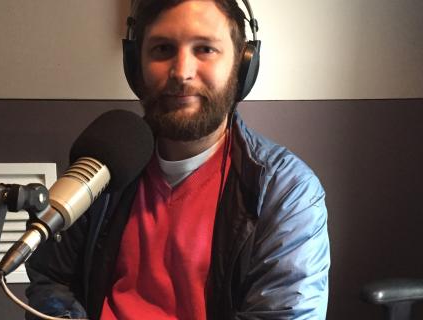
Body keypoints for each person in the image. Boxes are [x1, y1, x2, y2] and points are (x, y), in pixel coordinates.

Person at [25, 0, 330, 319]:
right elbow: (52, 279)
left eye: (205, 49)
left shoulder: (286, 192)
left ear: (242, 65)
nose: (182, 72)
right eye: (162, 49)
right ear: (135, 65)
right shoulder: (104, 161)